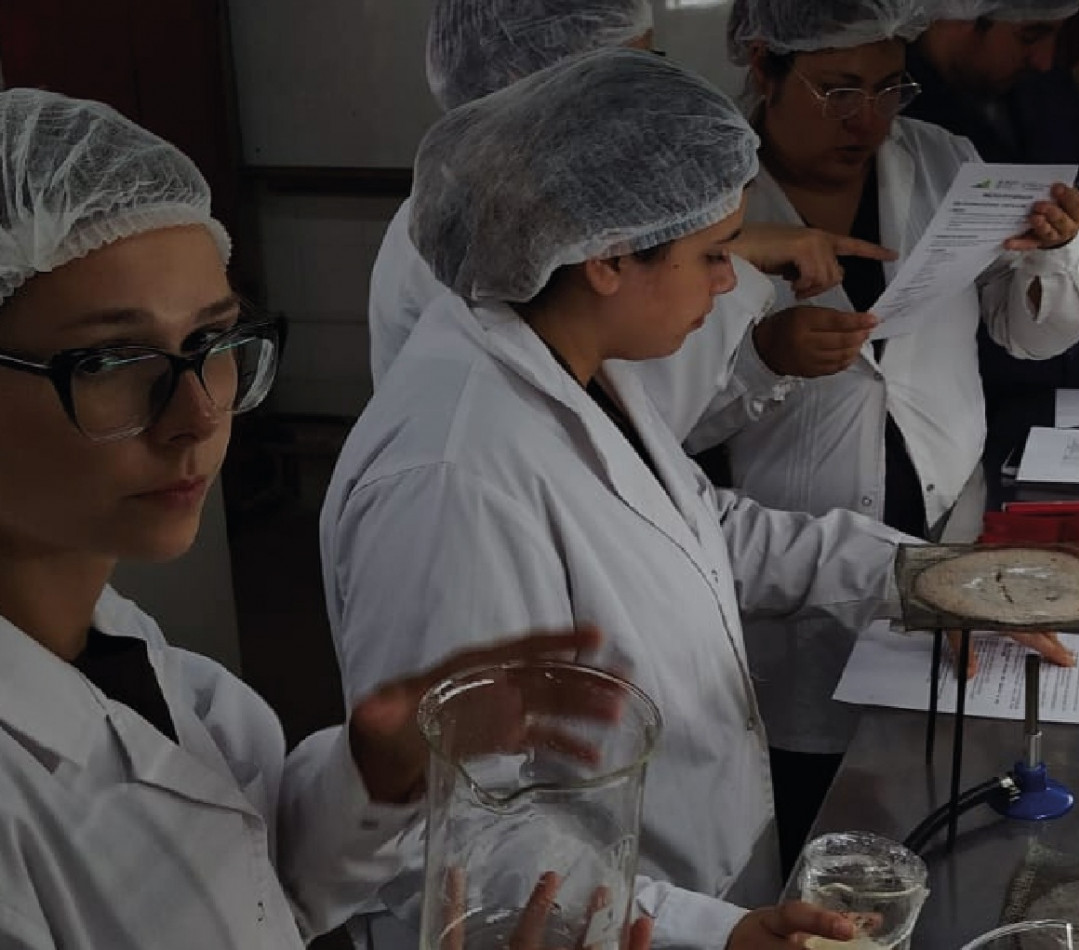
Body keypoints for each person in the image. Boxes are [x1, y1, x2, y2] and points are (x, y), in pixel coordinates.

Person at [0, 87, 634, 950]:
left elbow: (252, 896)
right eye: (112, 361)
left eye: (215, 343)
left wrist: (374, 772)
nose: (197, 415)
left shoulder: (142, 663)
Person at [322, 48, 914, 950]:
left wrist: (924, 576)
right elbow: (453, 826)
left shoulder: (577, 367)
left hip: (683, 888)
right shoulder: (451, 478)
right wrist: (709, 932)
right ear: (604, 259)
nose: (729, 282)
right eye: (713, 254)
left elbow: (701, 529)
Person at [699, 0, 1079, 871]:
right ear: (764, 65)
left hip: (951, 540)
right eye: (840, 89)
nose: (870, 120)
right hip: (787, 585)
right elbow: (655, 415)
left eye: (890, 87)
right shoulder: (701, 196)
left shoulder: (942, 160)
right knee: (814, 829)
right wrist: (765, 359)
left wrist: (1055, 254)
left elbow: (1028, 333)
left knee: (947, 806)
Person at [369, 0, 893, 443]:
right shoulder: (475, 252)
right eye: (617, 77)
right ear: (525, 86)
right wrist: (761, 348)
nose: (640, 106)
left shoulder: (528, 225)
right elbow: (642, 421)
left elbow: (643, 451)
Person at [904, 0, 1079, 501]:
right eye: (1031, 35)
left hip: (1060, 380)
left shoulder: (1042, 87)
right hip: (959, 391)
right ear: (965, 17)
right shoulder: (898, 110)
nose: (1043, 58)